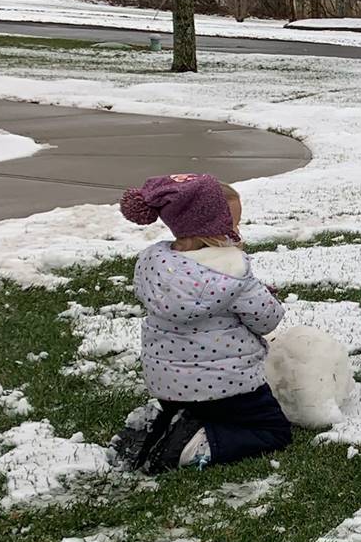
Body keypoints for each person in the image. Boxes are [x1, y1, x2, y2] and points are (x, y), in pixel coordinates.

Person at [110, 173, 292, 473]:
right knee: (273, 431)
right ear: (212, 227)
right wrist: (261, 294)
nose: (236, 231)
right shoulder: (230, 272)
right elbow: (267, 320)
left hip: (167, 383)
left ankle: (165, 420)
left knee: (203, 409)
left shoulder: (156, 264)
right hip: (228, 385)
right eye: (231, 224)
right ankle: (189, 445)